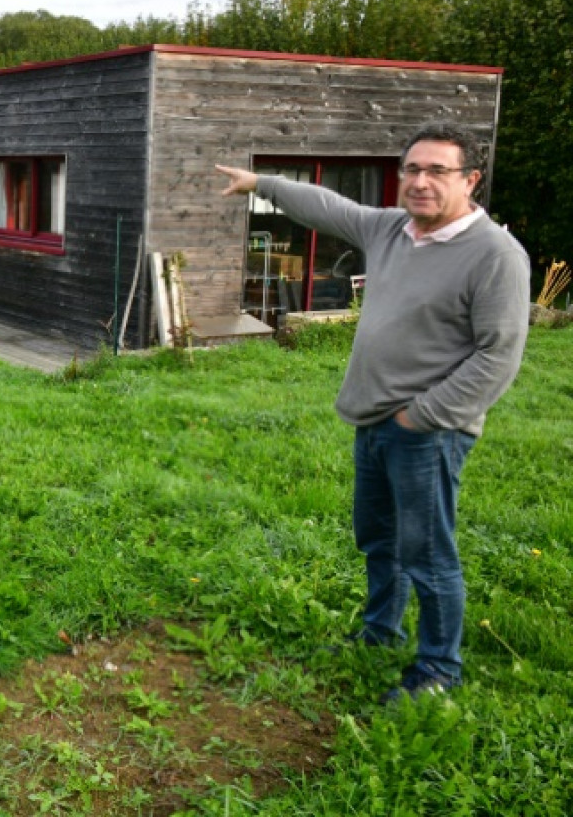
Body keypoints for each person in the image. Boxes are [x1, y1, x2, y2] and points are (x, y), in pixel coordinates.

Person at [215, 123, 530, 703]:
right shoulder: (391, 229)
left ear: (471, 179)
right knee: (380, 541)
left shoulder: (496, 256)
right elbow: (330, 206)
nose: (421, 182)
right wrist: (262, 181)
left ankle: (438, 670)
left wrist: (422, 416)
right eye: (412, 169)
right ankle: (379, 634)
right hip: (372, 420)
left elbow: (499, 356)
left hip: (428, 432)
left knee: (429, 555)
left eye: (438, 171)